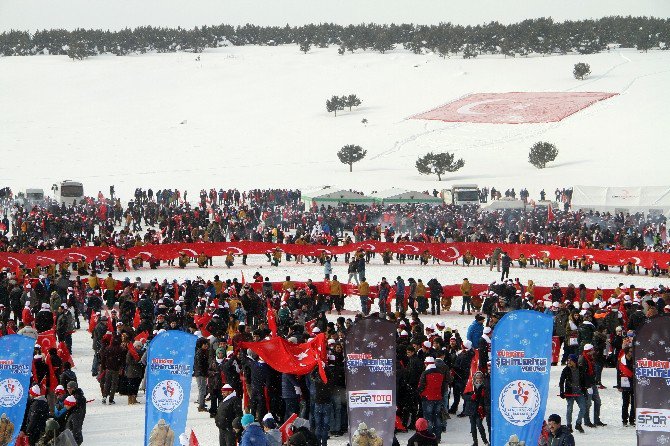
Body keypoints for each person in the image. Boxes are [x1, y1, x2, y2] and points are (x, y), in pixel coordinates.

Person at [417, 357, 446, 442]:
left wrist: (418, 392)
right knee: (437, 417)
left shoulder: (425, 373)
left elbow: (421, 386)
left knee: (428, 418)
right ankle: (438, 437)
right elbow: (443, 386)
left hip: (427, 398)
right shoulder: (440, 373)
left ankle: (428, 437)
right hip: (438, 398)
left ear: (426, 364)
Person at [578, 343, 606, 428]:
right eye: (592, 350)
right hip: (588, 385)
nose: (593, 351)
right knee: (588, 403)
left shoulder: (590, 358)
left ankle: (597, 420)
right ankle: (587, 421)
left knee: (597, 402)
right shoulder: (583, 359)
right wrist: (587, 386)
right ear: (589, 351)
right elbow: (582, 375)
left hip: (592, 383)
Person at [559, 354, 586, 433]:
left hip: (579, 392)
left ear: (575, 361)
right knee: (570, 409)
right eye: (568, 360)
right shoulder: (566, 370)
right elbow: (561, 382)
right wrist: (562, 391)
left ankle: (578, 423)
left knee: (583, 408)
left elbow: (583, 381)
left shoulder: (580, 369)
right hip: (569, 392)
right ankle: (569, 425)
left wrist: (584, 391)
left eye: (571, 360)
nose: (569, 361)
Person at [464, 371, 489, 446]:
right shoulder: (470, 386)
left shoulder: (483, 387)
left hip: (479, 409)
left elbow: (484, 398)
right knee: (473, 426)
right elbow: (464, 396)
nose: (478, 379)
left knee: (479, 425)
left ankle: (485, 441)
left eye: (480, 378)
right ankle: (475, 442)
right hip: (471, 409)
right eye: (477, 378)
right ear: (474, 378)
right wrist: (470, 397)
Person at [617, 347, 635, 426]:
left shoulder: (635, 359)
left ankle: (632, 420)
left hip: (634, 383)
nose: (632, 353)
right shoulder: (621, 361)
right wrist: (619, 385)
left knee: (634, 403)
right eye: (631, 351)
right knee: (625, 403)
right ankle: (624, 420)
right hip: (625, 384)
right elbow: (618, 374)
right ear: (627, 352)